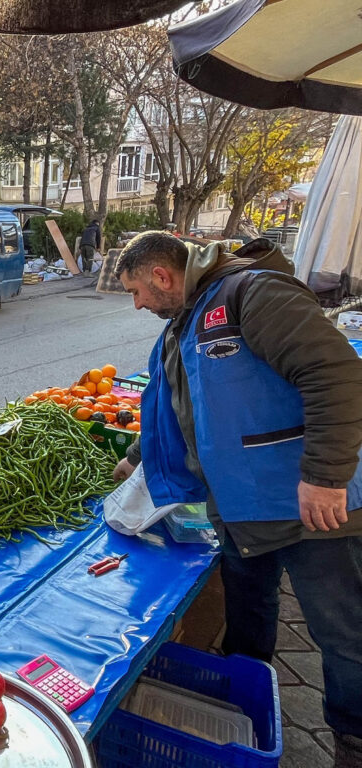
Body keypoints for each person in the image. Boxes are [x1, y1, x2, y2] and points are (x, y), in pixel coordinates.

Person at [112, 231, 362, 768]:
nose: (136, 305)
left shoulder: (254, 293)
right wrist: (138, 455)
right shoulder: (185, 322)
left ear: (162, 276)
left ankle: (353, 738)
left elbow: (335, 373)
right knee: (250, 607)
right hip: (244, 508)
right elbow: (180, 402)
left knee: (343, 629)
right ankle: (247, 688)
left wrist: (325, 475)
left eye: (136, 290)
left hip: (310, 505)